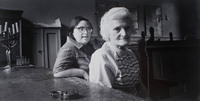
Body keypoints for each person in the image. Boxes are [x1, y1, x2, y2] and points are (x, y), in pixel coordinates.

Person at [89, 7, 150, 99]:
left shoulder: (130, 53)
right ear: (107, 33)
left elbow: (138, 85)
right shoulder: (101, 56)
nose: (124, 33)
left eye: (127, 28)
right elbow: (105, 97)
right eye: (117, 29)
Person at [53, 16, 95, 81]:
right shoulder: (68, 48)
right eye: (81, 29)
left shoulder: (89, 45)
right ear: (72, 32)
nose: (86, 32)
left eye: (88, 28)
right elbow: (57, 72)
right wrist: (83, 73)